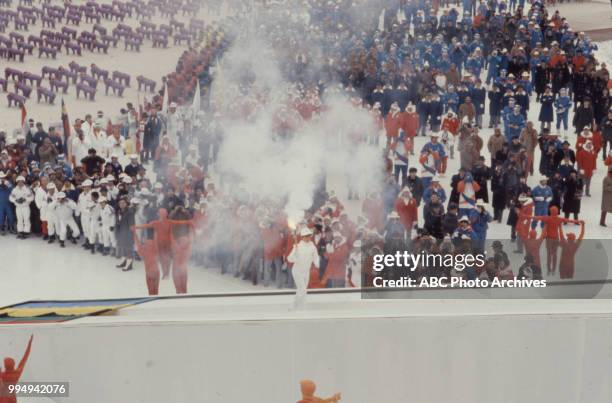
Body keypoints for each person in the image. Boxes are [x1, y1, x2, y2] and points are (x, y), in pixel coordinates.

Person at [287, 227, 320, 310]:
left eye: (309, 236)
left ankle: (294, 305)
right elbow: (289, 258)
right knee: (303, 290)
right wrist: (295, 258)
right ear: (302, 237)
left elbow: (316, 257)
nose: (307, 237)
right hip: (297, 271)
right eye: (305, 236)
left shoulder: (313, 247)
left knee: (300, 290)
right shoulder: (297, 247)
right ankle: (302, 307)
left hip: (306, 272)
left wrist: (316, 263)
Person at [0, 335, 33, 403]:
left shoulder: (2, 375)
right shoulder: (17, 373)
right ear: (13, 364)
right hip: (12, 398)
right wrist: (29, 344)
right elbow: (24, 359)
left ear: (5, 366)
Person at [115, 197, 135, 271]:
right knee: (122, 247)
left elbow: (131, 224)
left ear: (126, 204)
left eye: (123, 203)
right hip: (121, 232)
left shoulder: (130, 212)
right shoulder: (119, 211)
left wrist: (130, 234)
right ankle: (124, 261)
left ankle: (129, 263)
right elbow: (118, 222)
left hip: (127, 233)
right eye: (120, 203)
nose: (121, 204)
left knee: (128, 248)